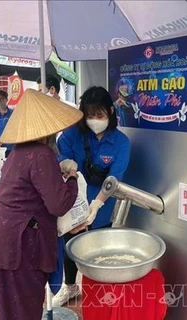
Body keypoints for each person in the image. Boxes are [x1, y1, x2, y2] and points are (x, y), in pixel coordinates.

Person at [0, 89, 83, 320]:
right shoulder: (41, 154)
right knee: (25, 308)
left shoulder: (17, 152)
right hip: (20, 244)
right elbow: (59, 205)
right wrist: (73, 179)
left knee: (8, 307)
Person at [54, 86, 131, 306]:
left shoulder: (121, 143)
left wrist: (97, 204)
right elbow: (62, 154)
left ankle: (98, 294)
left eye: (99, 115)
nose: (94, 119)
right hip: (73, 202)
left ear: (111, 112)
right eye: (89, 115)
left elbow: (114, 178)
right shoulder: (72, 135)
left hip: (102, 203)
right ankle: (69, 287)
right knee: (70, 245)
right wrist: (64, 164)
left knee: (98, 249)